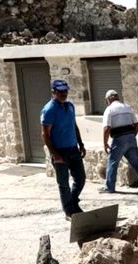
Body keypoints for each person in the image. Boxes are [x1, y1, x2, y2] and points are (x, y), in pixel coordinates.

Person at [41, 79, 87, 220]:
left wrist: (81, 143)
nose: (63, 94)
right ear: (53, 92)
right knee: (63, 184)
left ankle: (72, 202)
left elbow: (74, 126)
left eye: (65, 91)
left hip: (73, 149)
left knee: (80, 179)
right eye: (60, 91)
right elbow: (45, 134)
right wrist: (55, 154)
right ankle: (69, 211)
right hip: (59, 151)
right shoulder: (49, 109)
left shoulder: (70, 106)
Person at [99, 89, 138, 193]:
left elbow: (106, 128)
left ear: (110, 98)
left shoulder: (109, 109)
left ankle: (109, 187)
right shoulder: (128, 107)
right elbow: (137, 125)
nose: (107, 102)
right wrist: (132, 135)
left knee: (112, 162)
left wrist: (105, 143)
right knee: (137, 162)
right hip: (131, 137)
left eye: (106, 100)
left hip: (119, 138)